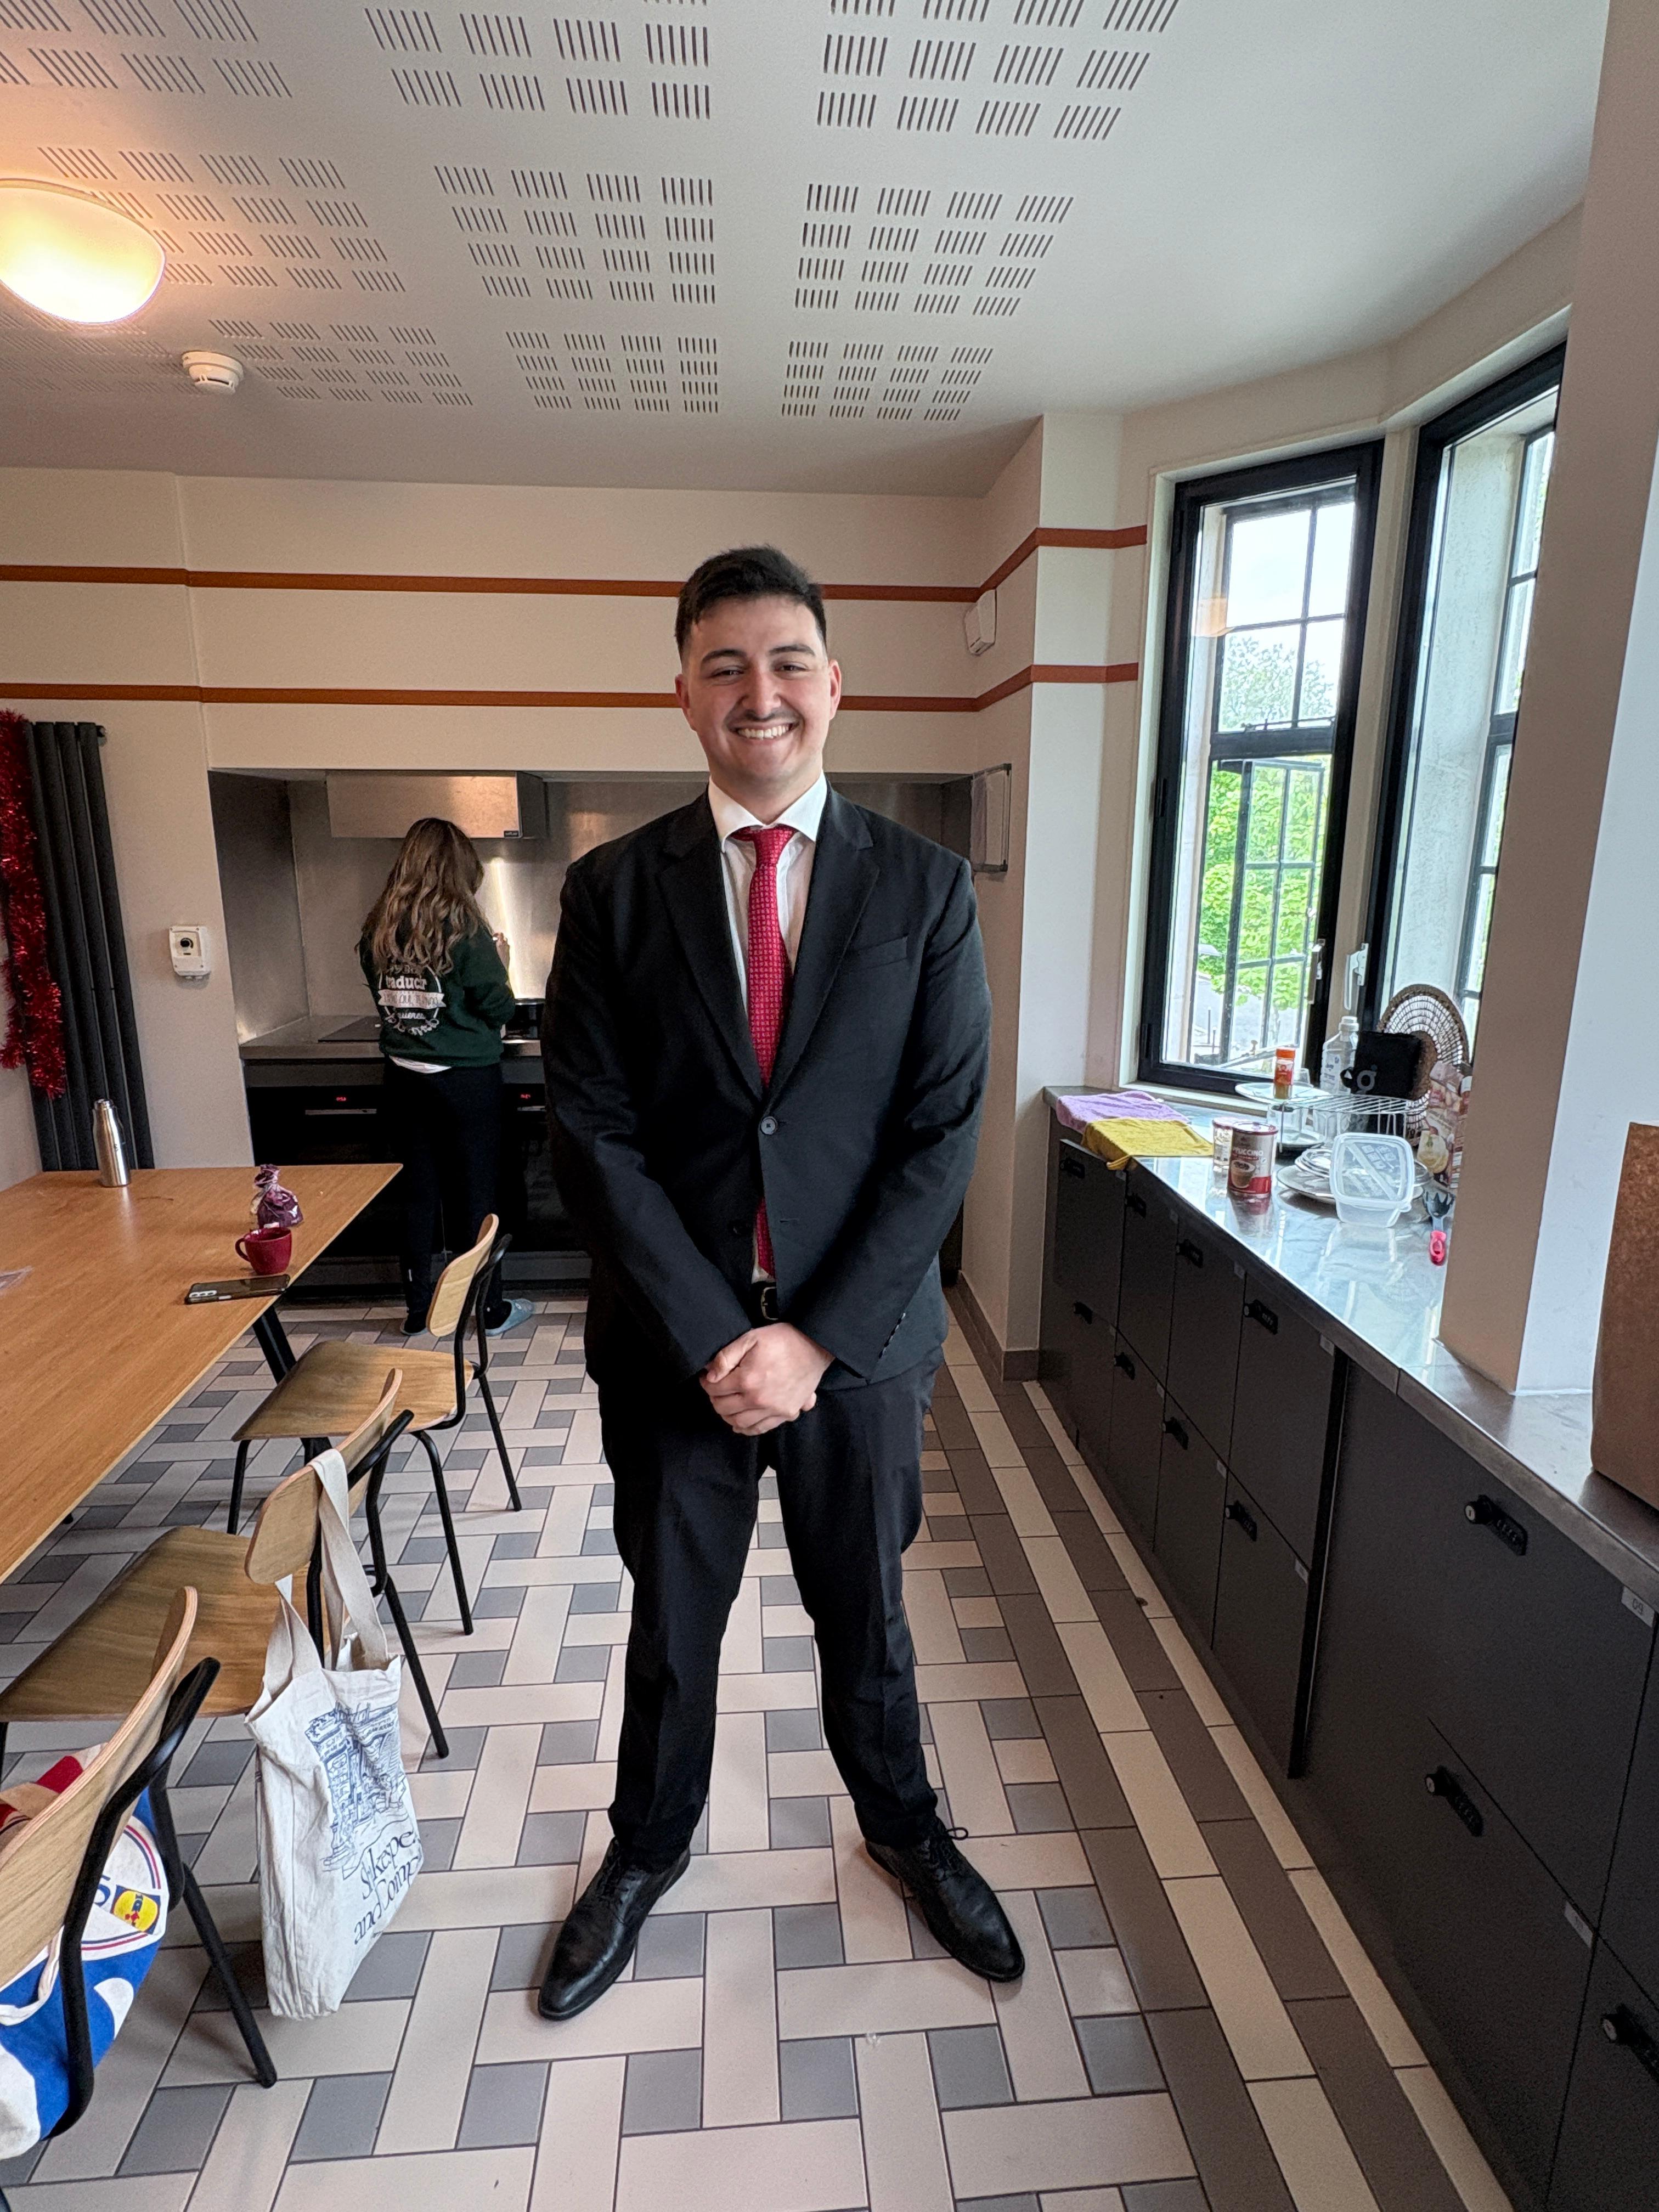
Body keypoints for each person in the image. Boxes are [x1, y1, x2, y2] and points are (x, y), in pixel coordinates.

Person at [538, 544, 1021, 2020]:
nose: (762, 693)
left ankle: (906, 1830)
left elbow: (940, 1137)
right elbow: (594, 1133)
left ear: (834, 684)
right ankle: (645, 1850)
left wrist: (811, 1340)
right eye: (727, 666)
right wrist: (715, 1337)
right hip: (671, 1347)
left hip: (857, 1352)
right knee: (673, 1623)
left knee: (866, 1612)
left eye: (788, 661)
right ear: (685, 695)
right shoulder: (613, 893)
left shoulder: (925, 889)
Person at [360, 815, 533, 1339]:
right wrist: (501, 962)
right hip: (465, 1080)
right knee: (476, 1196)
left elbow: (383, 995)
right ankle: (488, 1310)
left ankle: (417, 1312)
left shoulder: (379, 928)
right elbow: (498, 1005)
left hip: (404, 1078)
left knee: (417, 1196)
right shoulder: (465, 931)